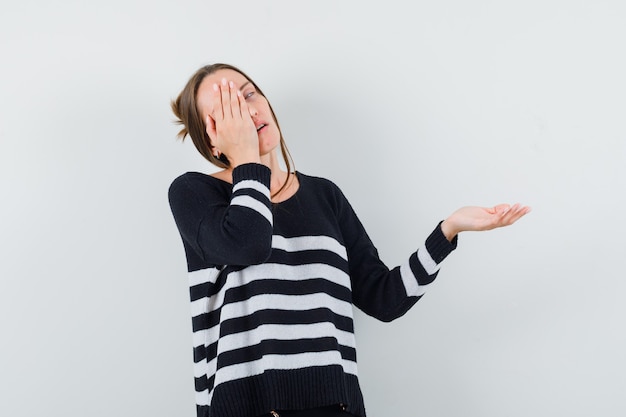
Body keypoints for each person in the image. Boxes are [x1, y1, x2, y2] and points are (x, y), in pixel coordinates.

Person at [168, 63, 530, 417]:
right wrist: (247, 159)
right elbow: (249, 242)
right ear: (212, 138)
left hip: (336, 403)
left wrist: (447, 231)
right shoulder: (194, 192)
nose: (248, 110)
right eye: (229, 108)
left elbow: (383, 299)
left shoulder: (325, 196)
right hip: (249, 405)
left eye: (249, 93)